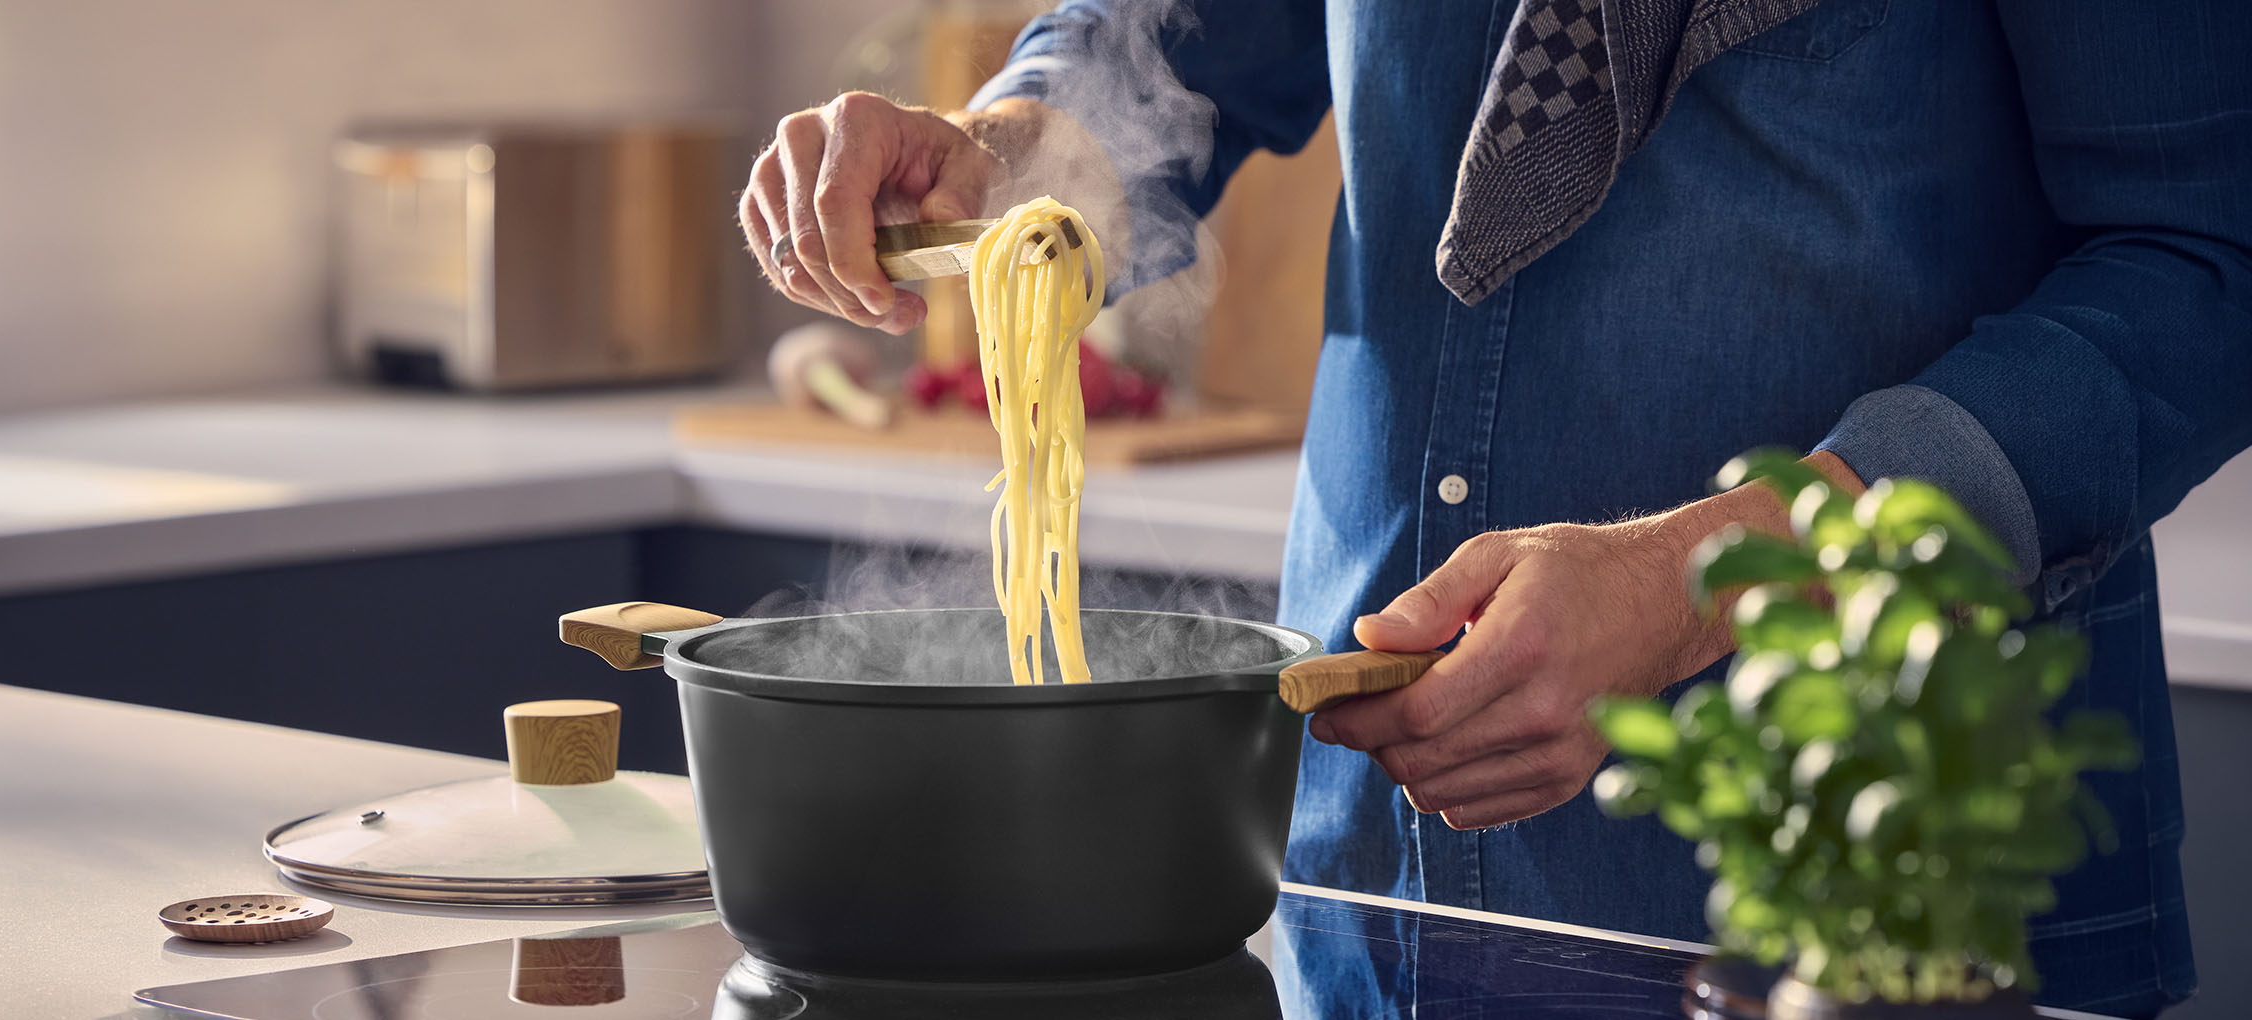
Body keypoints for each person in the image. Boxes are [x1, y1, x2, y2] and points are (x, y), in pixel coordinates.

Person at [740, 2, 2249, 1015]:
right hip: (1359, 891)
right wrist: (1007, 164)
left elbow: (2208, 261)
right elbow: (1177, 42)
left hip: (1878, 907)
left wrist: (1705, 575)